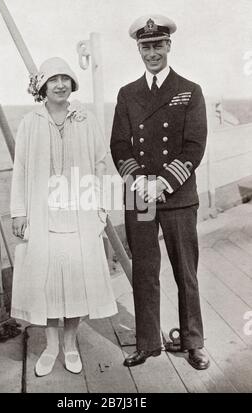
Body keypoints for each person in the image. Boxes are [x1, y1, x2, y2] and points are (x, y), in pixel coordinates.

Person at [110, 14, 210, 370]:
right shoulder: (127, 94)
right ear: (139, 49)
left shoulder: (190, 90)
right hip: (139, 194)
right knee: (145, 271)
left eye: (158, 45)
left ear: (169, 46)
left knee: (186, 272)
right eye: (145, 46)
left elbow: (194, 146)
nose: (152, 52)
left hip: (177, 194)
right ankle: (149, 342)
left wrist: (162, 182)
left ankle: (192, 341)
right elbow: (120, 144)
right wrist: (139, 181)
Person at [10, 57, 117, 377]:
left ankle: (70, 345)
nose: (59, 84)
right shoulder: (30, 122)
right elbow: (21, 171)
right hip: (43, 217)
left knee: (74, 283)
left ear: (72, 84)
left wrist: (101, 209)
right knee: (46, 285)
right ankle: (50, 346)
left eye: (65, 79)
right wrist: (19, 212)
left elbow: (101, 164)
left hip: (79, 215)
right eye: (53, 79)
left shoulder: (86, 119)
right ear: (42, 86)